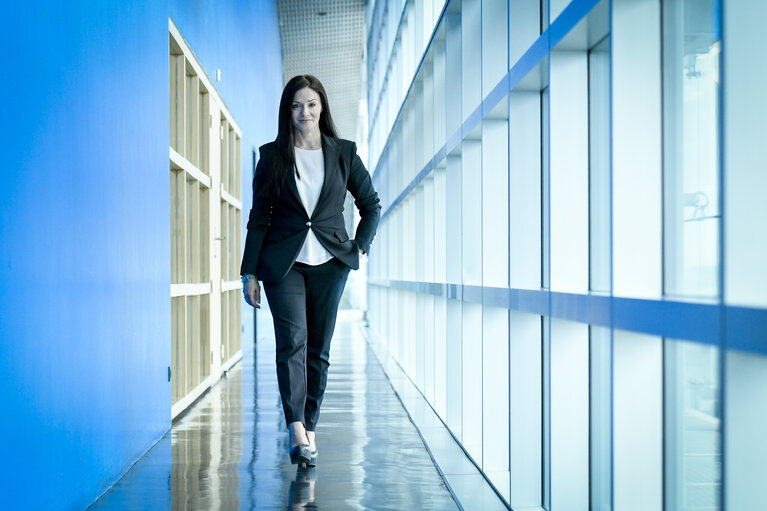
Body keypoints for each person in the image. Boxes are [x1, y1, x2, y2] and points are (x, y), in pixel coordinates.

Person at [240, 74, 380, 466]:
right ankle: (296, 427)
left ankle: (310, 425)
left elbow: (371, 205)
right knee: (292, 343)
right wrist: (248, 273)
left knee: (318, 349)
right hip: (283, 265)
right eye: (297, 105)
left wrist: (360, 248)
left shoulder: (344, 153)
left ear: (322, 108)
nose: (305, 112)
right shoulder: (271, 156)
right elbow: (258, 219)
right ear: (288, 110)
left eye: (312, 104)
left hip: (331, 264)